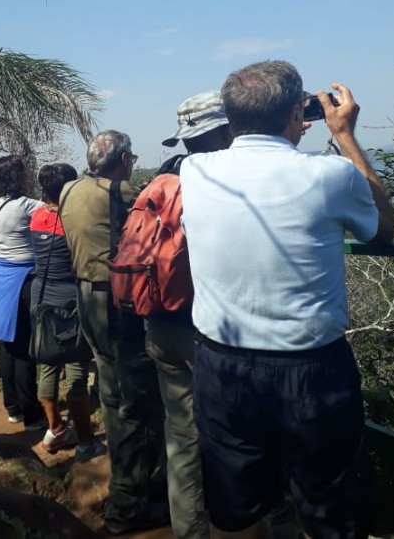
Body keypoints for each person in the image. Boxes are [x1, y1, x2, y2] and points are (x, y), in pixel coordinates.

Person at [180, 61, 394, 539]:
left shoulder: (195, 172)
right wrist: (345, 136)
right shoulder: (331, 175)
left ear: (230, 118)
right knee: (331, 509)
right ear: (298, 113)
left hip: (222, 366)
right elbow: (383, 228)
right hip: (313, 371)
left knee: (235, 511)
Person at [59, 130, 167, 536]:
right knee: (137, 399)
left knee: (111, 387)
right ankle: (129, 503)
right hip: (117, 303)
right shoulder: (122, 193)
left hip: (85, 297)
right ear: (123, 160)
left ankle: (129, 489)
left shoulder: (69, 190)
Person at [145, 91, 231, 539]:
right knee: (235, 436)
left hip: (157, 321)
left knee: (181, 435)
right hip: (204, 328)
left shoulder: (164, 176)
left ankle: (189, 531)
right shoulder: (221, 182)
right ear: (225, 131)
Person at [29, 163, 106, 460]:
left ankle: (56, 429)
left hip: (41, 294)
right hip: (69, 298)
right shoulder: (71, 219)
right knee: (76, 368)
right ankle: (86, 442)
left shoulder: (37, 216)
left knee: (47, 364)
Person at [0, 155, 45, 431]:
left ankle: (13, 407)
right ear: (18, 177)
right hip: (26, 276)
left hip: (3, 274)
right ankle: (32, 414)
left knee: (8, 343)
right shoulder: (30, 206)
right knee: (25, 348)